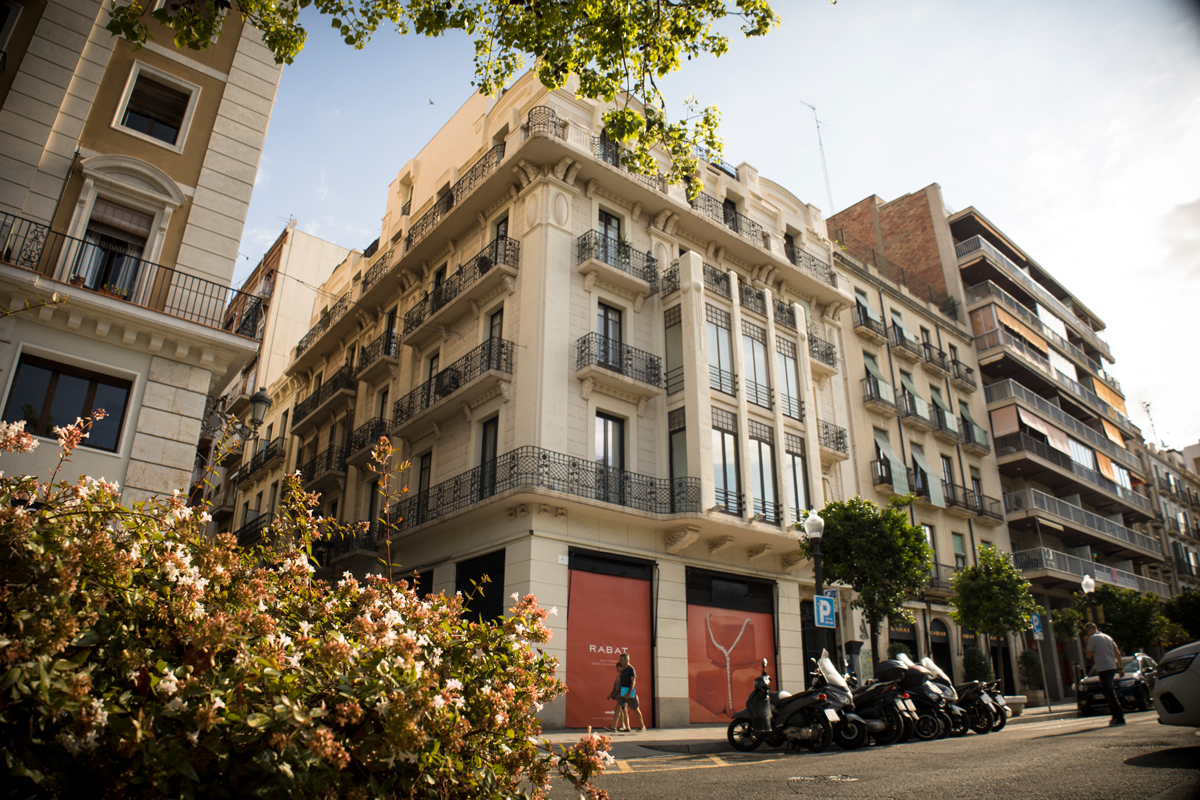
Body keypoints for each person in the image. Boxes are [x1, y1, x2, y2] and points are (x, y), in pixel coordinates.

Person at [1083, 622, 1126, 726]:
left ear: (1090, 630)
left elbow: (1088, 655)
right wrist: (1120, 668)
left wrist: (1086, 642)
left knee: (1109, 693)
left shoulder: (1093, 638)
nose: (1087, 634)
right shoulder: (1107, 637)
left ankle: (1119, 717)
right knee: (1106, 690)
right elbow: (1118, 653)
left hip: (1103, 669)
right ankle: (1115, 715)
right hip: (1112, 667)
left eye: (1087, 631)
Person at [616, 652, 646, 732]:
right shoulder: (623, 670)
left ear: (627, 660)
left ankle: (642, 726)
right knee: (620, 707)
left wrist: (629, 692)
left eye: (622, 659)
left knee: (635, 709)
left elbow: (633, 682)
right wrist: (619, 692)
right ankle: (623, 727)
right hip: (623, 692)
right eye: (620, 659)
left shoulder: (631, 669)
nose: (620, 661)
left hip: (630, 692)